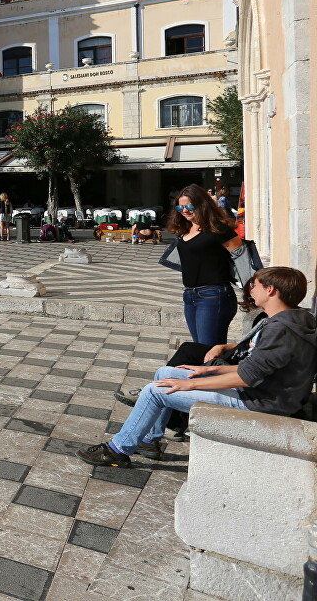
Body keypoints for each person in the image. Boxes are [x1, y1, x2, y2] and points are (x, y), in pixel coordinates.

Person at [78, 266, 315, 468]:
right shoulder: (294, 319)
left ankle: (118, 450)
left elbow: (246, 377)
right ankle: (149, 441)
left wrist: (190, 383)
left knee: (155, 391)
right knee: (165, 373)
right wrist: (208, 370)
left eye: (255, 285)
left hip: (259, 402)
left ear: (271, 290)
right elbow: (256, 368)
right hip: (261, 392)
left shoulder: (280, 330)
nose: (251, 288)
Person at [161, 183, 243, 346]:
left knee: (208, 351)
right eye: (180, 208)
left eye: (189, 206)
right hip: (190, 295)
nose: (184, 211)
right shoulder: (185, 229)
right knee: (201, 349)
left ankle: (224, 372)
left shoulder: (218, 229)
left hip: (214, 295)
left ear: (202, 204)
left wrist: (250, 291)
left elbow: (242, 259)